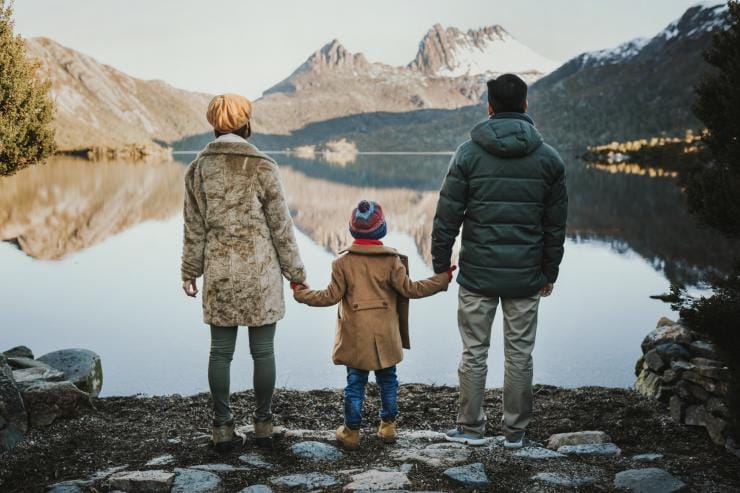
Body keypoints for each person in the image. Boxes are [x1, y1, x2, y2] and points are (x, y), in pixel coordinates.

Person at [431, 74, 568, 448]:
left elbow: (447, 217)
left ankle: (471, 429)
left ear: (489, 107)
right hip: (526, 277)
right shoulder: (549, 159)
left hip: (476, 275)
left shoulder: (468, 154)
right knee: (520, 354)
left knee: (474, 353)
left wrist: (440, 264)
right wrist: (549, 272)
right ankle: (515, 433)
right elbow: (555, 226)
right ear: (525, 106)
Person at [181, 93, 306, 451]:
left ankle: (222, 427)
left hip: (219, 269)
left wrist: (190, 270)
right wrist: (295, 272)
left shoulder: (197, 168)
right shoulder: (263, 166)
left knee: (220, 352)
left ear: (214, 125)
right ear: (245, 123)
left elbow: (194, 228)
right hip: (260, 271)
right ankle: (263, 425)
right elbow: (281, 226)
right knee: (263, 350)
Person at [292, 200, 454, 449]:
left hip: (356, 337)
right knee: (388, 380)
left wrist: (302, 293)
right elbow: (411, 289)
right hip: (386, 335)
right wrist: (441, 279)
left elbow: (328, 297)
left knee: (355, 383)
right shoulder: (391, 261)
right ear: (382, 230)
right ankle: (387, 427)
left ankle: (352, 432)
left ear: (352, 230)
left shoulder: (342, 263)